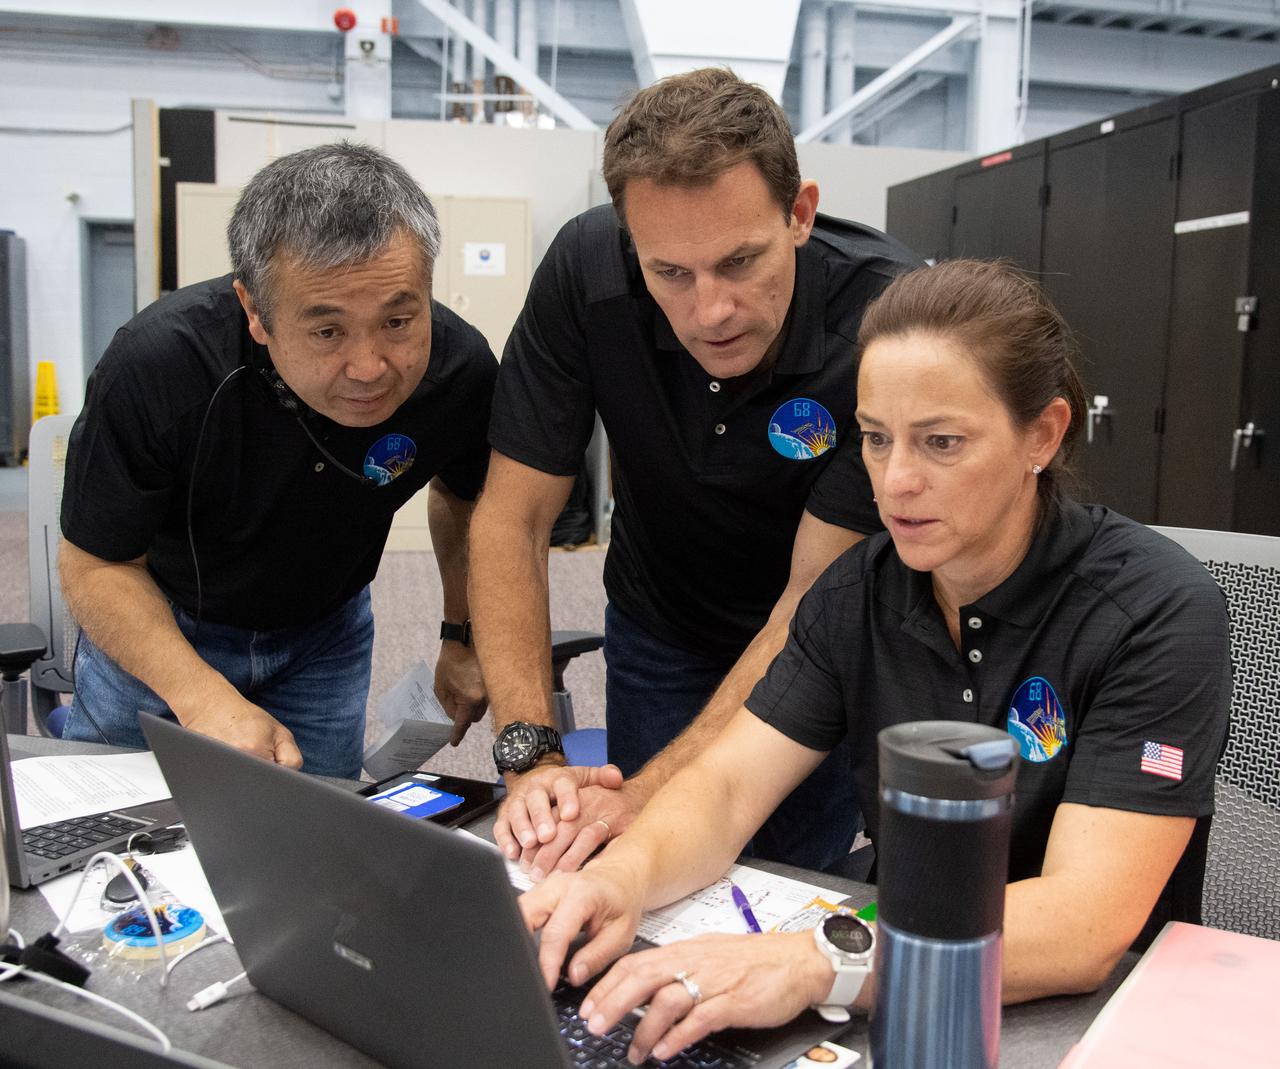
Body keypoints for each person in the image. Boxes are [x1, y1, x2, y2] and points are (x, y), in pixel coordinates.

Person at [517, 259, 1231, 1064]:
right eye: (876, 438)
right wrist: (621, 878)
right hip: (892, 980)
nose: (896, 481)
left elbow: (1084, 924)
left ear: (1043, 433)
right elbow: (724, 789)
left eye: (942, 442)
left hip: (1089, 1017)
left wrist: (814, 961)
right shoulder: (860, 590)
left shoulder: (1157, 610)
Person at [467, 67, 921, 877]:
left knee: (778, 883)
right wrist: (531, 753)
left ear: (801, 214)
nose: (710, 310)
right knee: (647, 874)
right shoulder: (586, 273)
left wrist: (653, 794)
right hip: (661, 621)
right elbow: (513, 517)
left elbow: (808, 598)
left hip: (814, 636)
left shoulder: (885, 325)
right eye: (670, 272)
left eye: (741, 261)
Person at [58, 142, 497, 779]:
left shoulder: (459, 369)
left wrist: (462, 636)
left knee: (313, 843)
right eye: (327, 331)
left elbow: (465, 497)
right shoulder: (160, 366)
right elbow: (96, 564)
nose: (370, 367)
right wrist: (202, 696)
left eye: (399, 320)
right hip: (164, 625)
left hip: (326, 634)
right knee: (115, 837)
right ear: (255, 312)